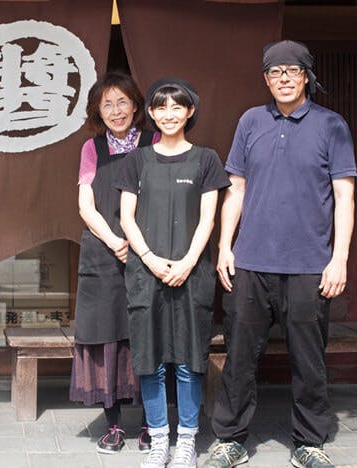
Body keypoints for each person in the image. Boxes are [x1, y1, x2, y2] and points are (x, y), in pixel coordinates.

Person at [203, 40, 356, 468]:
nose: (284, 78)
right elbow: (235, 189)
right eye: (275, 72)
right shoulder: (251, 121)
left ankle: (309, 442)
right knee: (239, 356)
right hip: (250, 262)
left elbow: (344, 197)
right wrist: (225, 246)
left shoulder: (331, 125)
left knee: (309, 360)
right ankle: (230, 440)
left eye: (292, 70)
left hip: (310, 266)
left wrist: (339, 258)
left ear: (306, 76)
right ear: (266, 79)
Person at [117, 79, 231, 468]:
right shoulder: (136, 161)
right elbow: (127, 218)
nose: (169, 115)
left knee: (188, 359)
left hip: (191, 273)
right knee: (149, 360)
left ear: (190, 111)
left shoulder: (206, 159)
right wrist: (149, 258)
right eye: (161, 107)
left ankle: (186, 441)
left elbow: (208, 219)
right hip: (146, 273)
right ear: (150, 113)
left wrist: (187, 262)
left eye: (177, 107)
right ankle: (158, 440)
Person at [69, 71, 158, 454]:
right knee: (108, 335)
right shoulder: (92, 148)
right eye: (107, 104)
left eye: (123, 102)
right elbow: (85, 205)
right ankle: (114, 424)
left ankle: (152, 423)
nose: (116, 110)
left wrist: (138, 245)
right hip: (104, 253)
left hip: (149, 252)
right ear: (98, 110)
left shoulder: (154, 142)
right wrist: (113, 240)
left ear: (136, 106)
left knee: (148, 335)